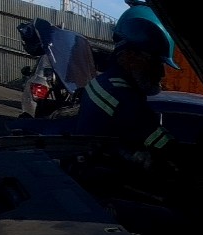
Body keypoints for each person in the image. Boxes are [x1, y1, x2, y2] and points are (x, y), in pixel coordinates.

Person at [75, 0, 179, 163]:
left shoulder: (105, 83)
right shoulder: (123, 98)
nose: (161, 72)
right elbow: (168, 149)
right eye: (155, 62)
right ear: (129, 56)